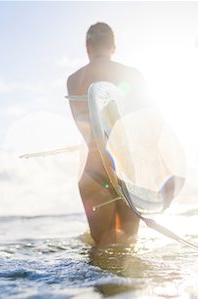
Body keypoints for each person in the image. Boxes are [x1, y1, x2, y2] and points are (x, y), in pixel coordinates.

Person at [66, 22, 146, 245]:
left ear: (87, 48)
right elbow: (145, 126)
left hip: (93, 171)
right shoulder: (132, 75)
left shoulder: (73, 80)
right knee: (127, 245)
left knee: (101, 249)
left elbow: (85, 128)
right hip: (126, 170)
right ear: (113, 46)